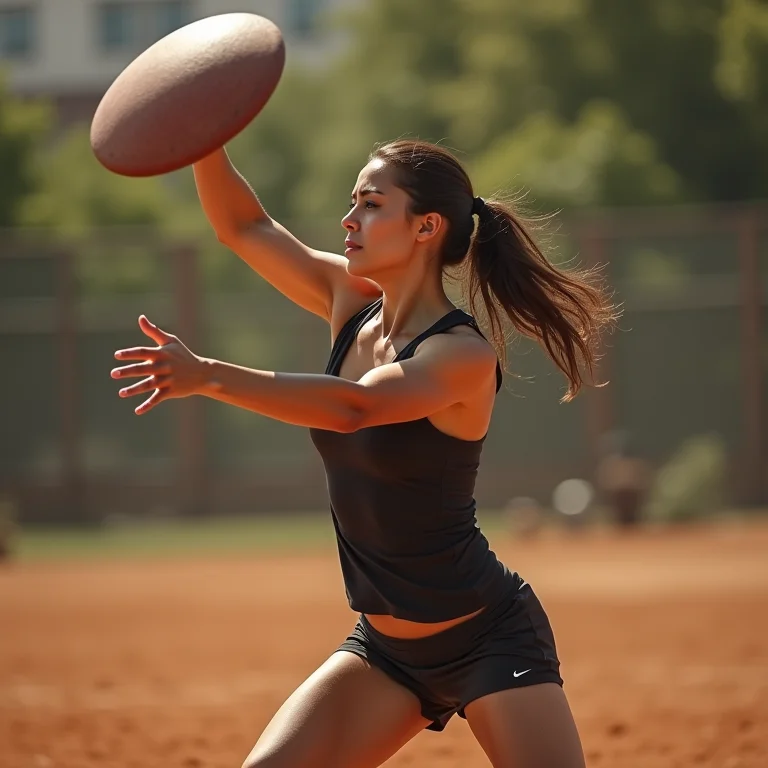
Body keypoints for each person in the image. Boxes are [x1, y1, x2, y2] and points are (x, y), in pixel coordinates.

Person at [111, 139, 616, 767]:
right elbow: (243, 225)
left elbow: (354, 407)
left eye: (371, 204)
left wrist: (209, 374)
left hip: (489, 639)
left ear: (427, 226)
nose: (349, 220)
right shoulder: (349, 303)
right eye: (353, 202)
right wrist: (203, 136)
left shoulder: (461, 355)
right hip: (386, 653)